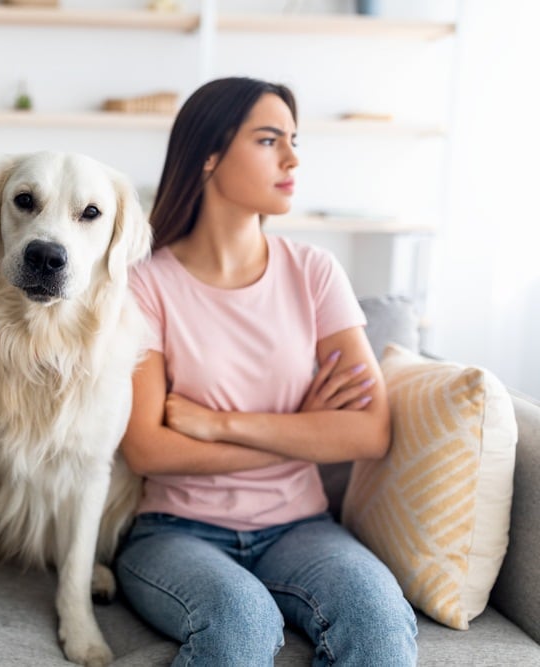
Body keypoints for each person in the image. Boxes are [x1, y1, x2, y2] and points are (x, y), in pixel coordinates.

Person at [114, 77, 418, 666]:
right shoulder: (143, 283)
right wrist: (302, 430)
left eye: (294, 140)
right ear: (208, 154)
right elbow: (148, 450)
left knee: (379, 620)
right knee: (240, 621)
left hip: (300, 527)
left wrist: (217, 424)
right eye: (269, 139)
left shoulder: (314, 272)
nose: (292, 157)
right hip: (177, 532)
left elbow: (367, 432)